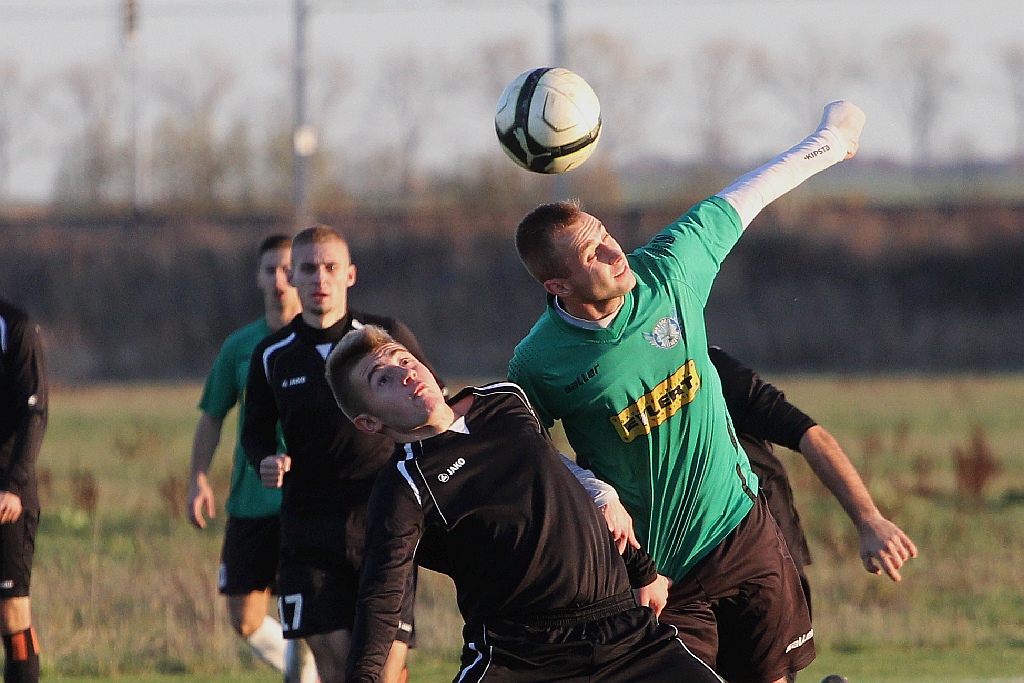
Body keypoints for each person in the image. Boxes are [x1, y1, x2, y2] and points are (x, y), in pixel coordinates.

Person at [508, 101, 892, 683]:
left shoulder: (668, 269)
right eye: (594, 253)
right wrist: (596, 491)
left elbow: (749, 194)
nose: (616, 252)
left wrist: (832, 140)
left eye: (608, 236)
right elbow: (525, 453)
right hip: (657, 571)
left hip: (742, 530)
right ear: (558, 284)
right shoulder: (540, 361)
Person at [324, 324, 723, 683]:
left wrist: (642, 569)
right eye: (383, 379)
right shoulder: (403, 487)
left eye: (404, 359)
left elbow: (566, 484)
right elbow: (381, 595)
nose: (405, 373)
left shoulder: (505, 400)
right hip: (522, 654)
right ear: (369, 423)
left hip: (624, 632)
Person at [242, 226, 433, 683]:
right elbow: (254, 434)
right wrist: (266, 460)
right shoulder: (273, 354)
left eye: (330, 268)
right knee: (338, 669)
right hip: (309, 529)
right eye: (308, 268)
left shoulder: (387, 337)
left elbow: (433, 407)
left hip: (386, 521)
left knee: (382, 673)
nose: (319, 278)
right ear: (290, 276)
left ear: (349, 274)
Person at [186, 235, 318, 682]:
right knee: (244, 619)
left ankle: (306, 676)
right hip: (250, 501)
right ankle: (309, 672)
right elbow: (212, 416)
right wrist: (198, 478)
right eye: (270, 270)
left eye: (288, 270)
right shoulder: (240, 346)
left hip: (307, 500)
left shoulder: (324, 342)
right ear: (257, 276)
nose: (279, 281)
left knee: (307, 611)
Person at [708, 346, 918, 616]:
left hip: (764, 551)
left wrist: (868, 519)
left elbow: (810, 435)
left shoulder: (712, 368)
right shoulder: (636, 376)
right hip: (680, 564)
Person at [0, 299, 46, 683]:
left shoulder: (14, 326)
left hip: (6, 495)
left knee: (12, 613)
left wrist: (14, 485)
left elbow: (35, 411)